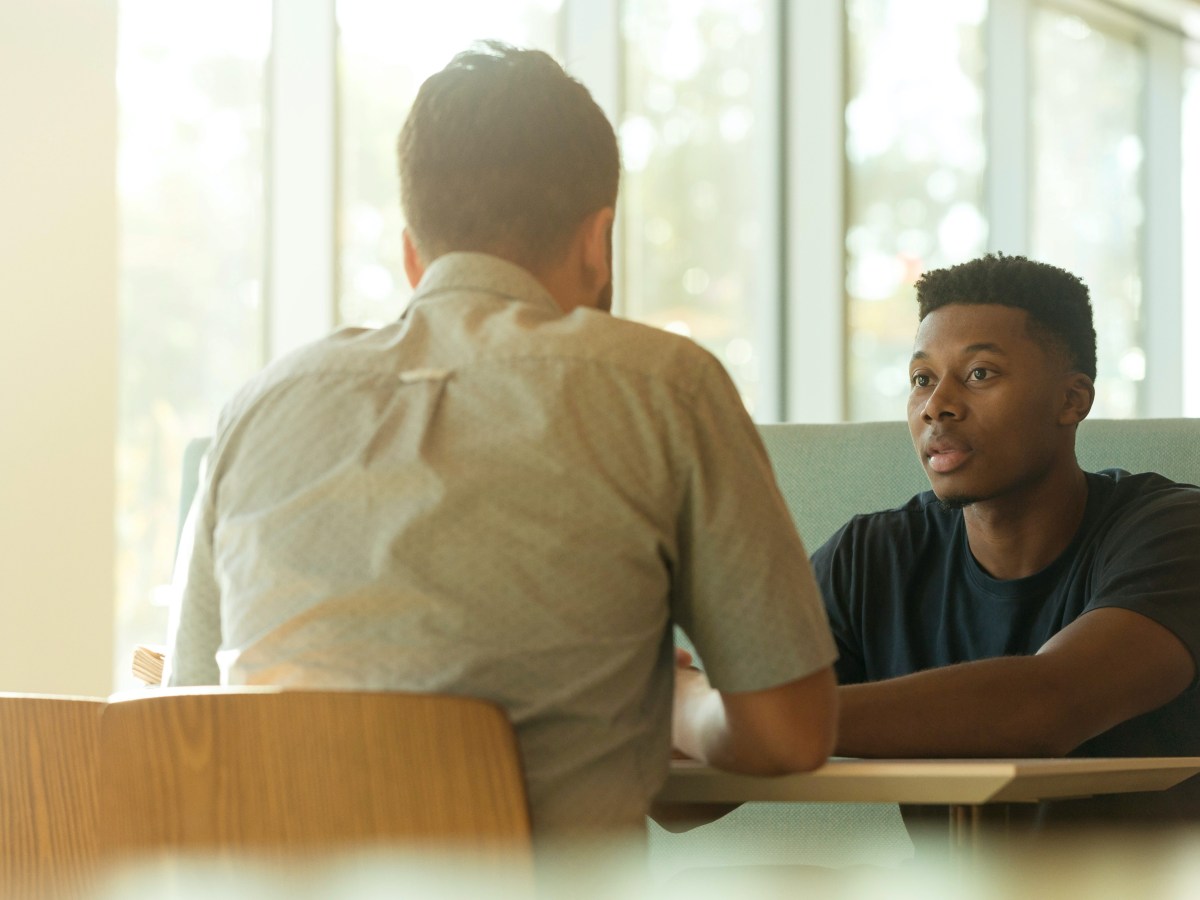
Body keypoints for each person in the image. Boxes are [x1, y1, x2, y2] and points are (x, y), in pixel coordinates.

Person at [163, 41, 837, 839]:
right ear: (600, 240)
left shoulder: (257, 408)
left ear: (413, 252)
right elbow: (790, 734)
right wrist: (679, 704)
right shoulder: (666, 387)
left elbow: (184, 724)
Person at [813, 252, 1200, 825]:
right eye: (921, 379)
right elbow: (682, 803)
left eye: (979, 374)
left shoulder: (1173, 532)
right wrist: (687, 713)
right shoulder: (870, 558)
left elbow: (1046, 707)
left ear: (1073, 400)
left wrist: (752, 721)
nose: (936, 405)